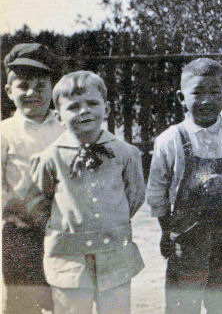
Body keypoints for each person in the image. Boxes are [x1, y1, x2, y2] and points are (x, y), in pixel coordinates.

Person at [147, 58, 222, 314]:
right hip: (187, 242)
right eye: (197, 93)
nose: (206, 100)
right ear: (181, 97)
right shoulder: (170, 140)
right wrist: (165, 231)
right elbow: (156, 192)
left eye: (215, 92)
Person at [29, 71, 145, 314]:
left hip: (115, 254)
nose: (84, 111)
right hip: (69, 259)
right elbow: (41, 201)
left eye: (92, 103)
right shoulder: (51, 157)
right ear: (59, 116)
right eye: (74, 107)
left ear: (108, 108)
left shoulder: (124, 153)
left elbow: (134, 197)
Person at [1, 44, 64, 314]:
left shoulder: (65, 127)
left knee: (63, 296)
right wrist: (12, 208)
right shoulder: (5, 132)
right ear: (8, 91)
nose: (32, 93)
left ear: (53, 89)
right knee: (22, 302)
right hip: (21, 230)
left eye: (40, 86)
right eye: (23, 86)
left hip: (62, 228)